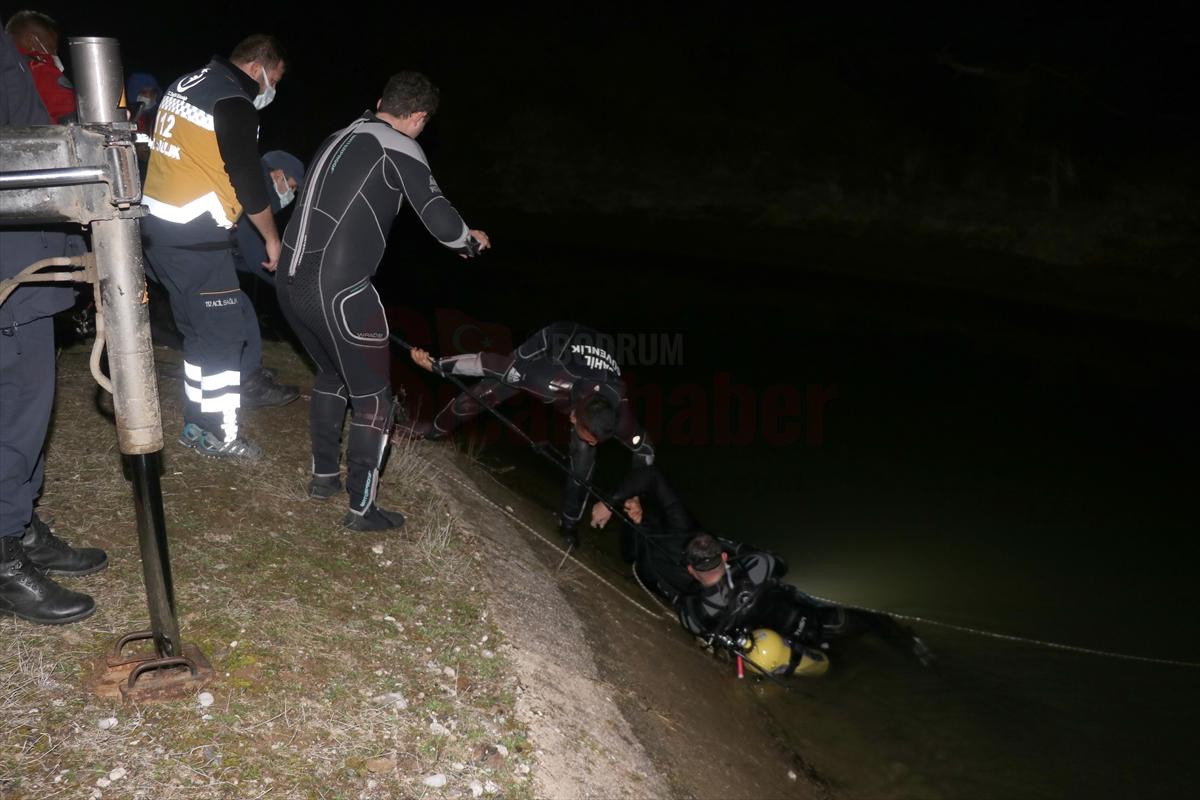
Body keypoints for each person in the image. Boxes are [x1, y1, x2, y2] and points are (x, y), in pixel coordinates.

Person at [276, 70, 490, 532]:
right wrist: (470, 243)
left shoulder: (338, 136)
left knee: (333, 375)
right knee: (375, 399)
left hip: (290, 284)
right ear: (417, 116)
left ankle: (324, 479)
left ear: (380, 101)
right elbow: (440, 220)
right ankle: (362, 508)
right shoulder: (400, 145)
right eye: (423, 124)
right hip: (341, 292)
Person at [1, 28, 107, 625]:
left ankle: (21, 524)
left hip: (27, 260)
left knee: (30, 410)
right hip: (9, 268)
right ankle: (3, 555)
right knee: (14, 410)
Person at [140, 34, 287, 460]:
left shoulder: (186, 83)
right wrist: (272, 237)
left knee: (198, 335)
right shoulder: (232, 101)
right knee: (224, 338)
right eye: (272, 80)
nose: (269, 90)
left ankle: (196, 423)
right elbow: (247, 178)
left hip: (159, 231)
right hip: (197, 236)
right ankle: (222, 435)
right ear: (259, 66)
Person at [406, 321, 655, 547]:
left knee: (583, 454)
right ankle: (434, 430)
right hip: (558, 339)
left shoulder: (621, 415)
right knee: (489, 391)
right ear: (573, 416)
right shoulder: (546, 378)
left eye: (597, 440)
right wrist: (439, 366)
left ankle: (568, 524)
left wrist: (627, 496)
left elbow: (646, 452)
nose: (593, 442)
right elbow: (488, 362)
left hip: (597, 359)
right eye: (589, 434)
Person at [230, 150, 306, 408]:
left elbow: (242, 255)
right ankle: (249, 383)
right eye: (292, 187)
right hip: (188, 254)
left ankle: (245, 368)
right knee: (241, 311)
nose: (291, 195)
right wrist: (293, 287)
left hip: (186, 248)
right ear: (277, 174)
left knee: (238, 307)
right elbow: (257, 260)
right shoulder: (260, 192)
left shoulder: (251, 180)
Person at [4, 10, 74, 123]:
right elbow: (72, 111)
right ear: (31, 40)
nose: (54, 54)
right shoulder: (40, 70)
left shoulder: (7, 73)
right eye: (51, 47)